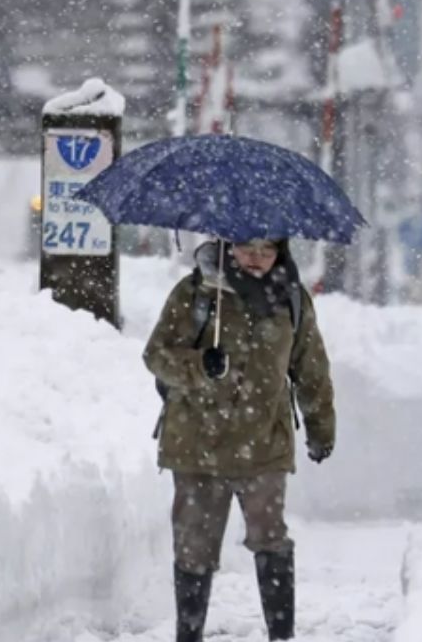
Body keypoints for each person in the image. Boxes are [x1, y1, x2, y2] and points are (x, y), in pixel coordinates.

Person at [144, 238, 336, 642]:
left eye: (266, 251)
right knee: (194, 548)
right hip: (198, 444)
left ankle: (281, 636)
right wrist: (199, 366)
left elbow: (311, 368)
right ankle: (189, 635)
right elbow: (156, 355)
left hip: (264, 444)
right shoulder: (196, 293)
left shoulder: (292, 300)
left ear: (279, 253)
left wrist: (321, 428)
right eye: (247, 248)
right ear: (229, 247)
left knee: (271, 539)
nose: (255, 259)